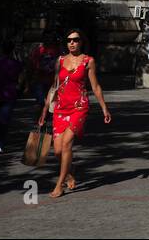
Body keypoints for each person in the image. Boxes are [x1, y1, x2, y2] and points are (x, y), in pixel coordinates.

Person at [37, 30, 111, 199]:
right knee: (57, 151)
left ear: (81, 42)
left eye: (75, 40)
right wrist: (44, 110)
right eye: (69, 40)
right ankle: (69, 171)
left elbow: (96, 87)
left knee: (66, 144)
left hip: (79, 107)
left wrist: (104, 108)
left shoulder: (88, 61)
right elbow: (54, 86)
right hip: (61, 108)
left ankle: (59, 184)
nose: (72, 43)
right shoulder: (60, 60)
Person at [26, 29, 60, 112]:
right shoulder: (38, 50)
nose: (48, 39)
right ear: (43, 38)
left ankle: (43, 119)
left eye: (50, 37)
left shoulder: (57, 50)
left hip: (52, 82)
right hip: (39, 80)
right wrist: (28, 81)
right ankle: (41, 120)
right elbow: (31, 64)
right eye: (46, 37)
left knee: (50, 103)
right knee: (41, 102)